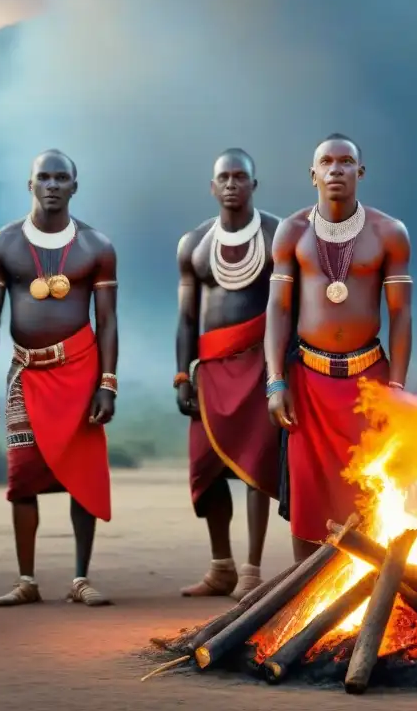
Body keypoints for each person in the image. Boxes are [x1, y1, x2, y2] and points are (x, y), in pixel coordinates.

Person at [0, 149, 118, 608]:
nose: (52, 185)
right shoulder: (3, 245)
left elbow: (109, 321)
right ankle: (26, 579)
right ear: (29, 184)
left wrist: (107, 383)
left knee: (82, 476)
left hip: (80, 369)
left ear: (75, 186)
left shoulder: (97, 247)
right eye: (44, 177)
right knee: (22, 479)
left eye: (61, 178)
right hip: (25, 370)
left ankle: (81, 578)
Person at [265, 133, 412, 562]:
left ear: (360, 172)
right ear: (313, 175)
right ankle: (305, 598)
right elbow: (278, 308)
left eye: (345, 161)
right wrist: (275, 382)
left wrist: (397, 390)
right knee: (308, 493)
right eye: (326, 162)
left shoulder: (389, 232)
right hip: (307, 383)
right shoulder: (291, 231)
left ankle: (367, 596)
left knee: (371, 492)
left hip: (369, 382)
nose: (335, 169)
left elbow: (401, 314)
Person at [174, 148, 281, 600]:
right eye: (225, 177)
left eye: (241, 176)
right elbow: (185, 318)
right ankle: (222, 568)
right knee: (206, 469)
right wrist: (182, 375)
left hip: (262, 363)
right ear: (212, 186)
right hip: (211, 369)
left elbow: (288, 309)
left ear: (255, 185)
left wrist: (282, 373)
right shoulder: (194, 244)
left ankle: (253, 571)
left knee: (257, 467)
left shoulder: (279, 235)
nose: (233, 184)